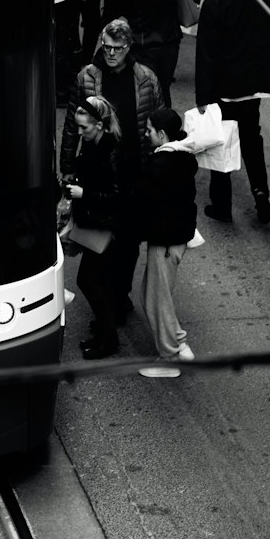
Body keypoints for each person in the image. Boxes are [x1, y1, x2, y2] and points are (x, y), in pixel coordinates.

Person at [60, 20, 163, 328]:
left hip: (136, 172)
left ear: (128, 47)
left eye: (117, 48)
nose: (111, 53)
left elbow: (159, 123)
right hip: (101, 171)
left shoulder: (146, 79)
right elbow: (70, 127)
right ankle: (106, 302)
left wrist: (159, 170)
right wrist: (66, 168)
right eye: (106, 46)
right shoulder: (87, 78)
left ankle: (120, 293)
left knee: (130, 240)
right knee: (101, 239)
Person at [194, 0, 270, 225]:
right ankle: (260, 192)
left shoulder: (214, 4)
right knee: (252, 139)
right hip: (254, 86)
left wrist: (202, 96)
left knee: (223, 143)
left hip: (226, 90)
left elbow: (205, 54)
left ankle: (222, 204)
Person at [61, 95, 127, 359]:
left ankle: (109, 338)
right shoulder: (94, 144)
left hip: (106, 227)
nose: (79, 132)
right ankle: (104, 331)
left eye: (84, 127)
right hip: (96, 224)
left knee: (88, 280)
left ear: (99, 125)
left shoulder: (111, 151)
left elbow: (117, 195)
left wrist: (83, 193)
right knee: (98, 280)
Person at [137, 107, 198, 377]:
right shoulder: (182, 159)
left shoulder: (159, 165)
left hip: (164, 240)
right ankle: (177, 341)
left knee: (156, 298)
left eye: (149, 130)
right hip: (176, 238)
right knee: (153, 294)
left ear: (162, 135)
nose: (146, 134)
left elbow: (143, 200)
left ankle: (169, 358)